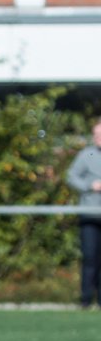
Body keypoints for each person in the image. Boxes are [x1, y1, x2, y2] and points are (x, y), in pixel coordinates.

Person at [67, 118, 101, 308]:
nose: (98, 138)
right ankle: (86, 300)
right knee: (90, 258)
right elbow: (71, 177)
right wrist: (90, 186)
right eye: (96, 134)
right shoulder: (86, 154)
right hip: (89, 215)